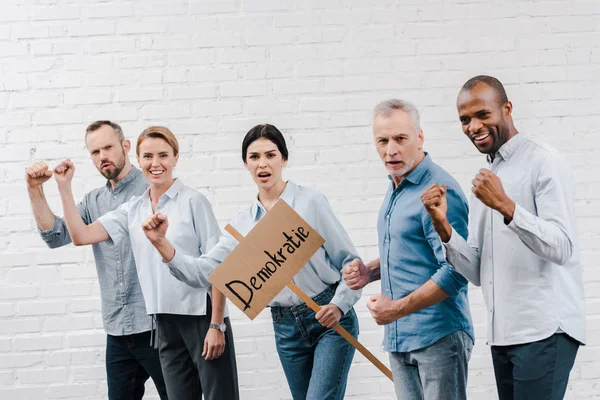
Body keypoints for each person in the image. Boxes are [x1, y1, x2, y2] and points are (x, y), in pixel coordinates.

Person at [149, 124, 361, 400]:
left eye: (271, 155)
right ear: (246, 163)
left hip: (329, 318)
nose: (263, 164)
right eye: (254, 157)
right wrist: (162, 244)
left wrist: (339, 304)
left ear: (284, 159)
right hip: (286, 329)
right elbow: (204, 272)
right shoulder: (243, 226)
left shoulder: (310, 202)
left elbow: (350, 262)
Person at [421, 75, 586, 400]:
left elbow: (564, 247)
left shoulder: (544, 162)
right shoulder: (489, 178)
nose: (473, 126)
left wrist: (506, 206)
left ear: (507, 108)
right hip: (504, 335)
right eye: (465, 119)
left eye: (483, 114)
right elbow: (480, 271)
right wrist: (445, 229)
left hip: (545, 330)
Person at [51, 126, 239, 400]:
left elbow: (219, 268)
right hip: (163, 322)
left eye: (163, 155)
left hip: (202, 317)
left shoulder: (194, 202)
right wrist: (64, 188)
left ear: (175, 157)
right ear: (138, 159)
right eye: (148, 156)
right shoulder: (133, 209)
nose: (156, 163)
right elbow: (80, 236)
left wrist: (217, 325)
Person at [25, 121, 168, 400]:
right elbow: (56, 236)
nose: (102, 156)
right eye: (95, 152)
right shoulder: (94, 201)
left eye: (108, 147)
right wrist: (35, 189)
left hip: (157, 327)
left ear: (126, 147)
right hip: (117, 331)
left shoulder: (152, 187)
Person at [343, 99, 474, 400]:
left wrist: (397, 309)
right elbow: (410, 251)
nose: (391, 150)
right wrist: (369, 273)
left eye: (400, 139)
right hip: (400, 338)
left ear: (419, 137)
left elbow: (457, 271)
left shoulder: (439, 190)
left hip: (438, 336)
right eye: (383, 140)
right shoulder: (397, 185)